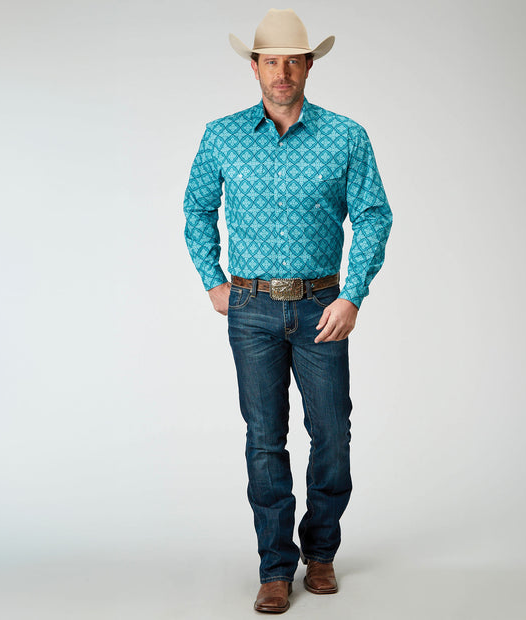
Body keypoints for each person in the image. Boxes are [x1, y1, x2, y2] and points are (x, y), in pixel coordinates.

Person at [183, 9, 392, 614]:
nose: (282, 72)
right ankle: (275, 566)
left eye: (292, 61)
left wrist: (353, 294)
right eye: (271, 61)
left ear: (308, 67)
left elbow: (373, 214)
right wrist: (213, 281)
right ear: (254, 67)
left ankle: (320, 553)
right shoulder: (221, 136)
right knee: (264, 438)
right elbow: (196, 208)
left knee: (332, 433)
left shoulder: (346, 135)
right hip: (249, 309)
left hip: (323, 306)